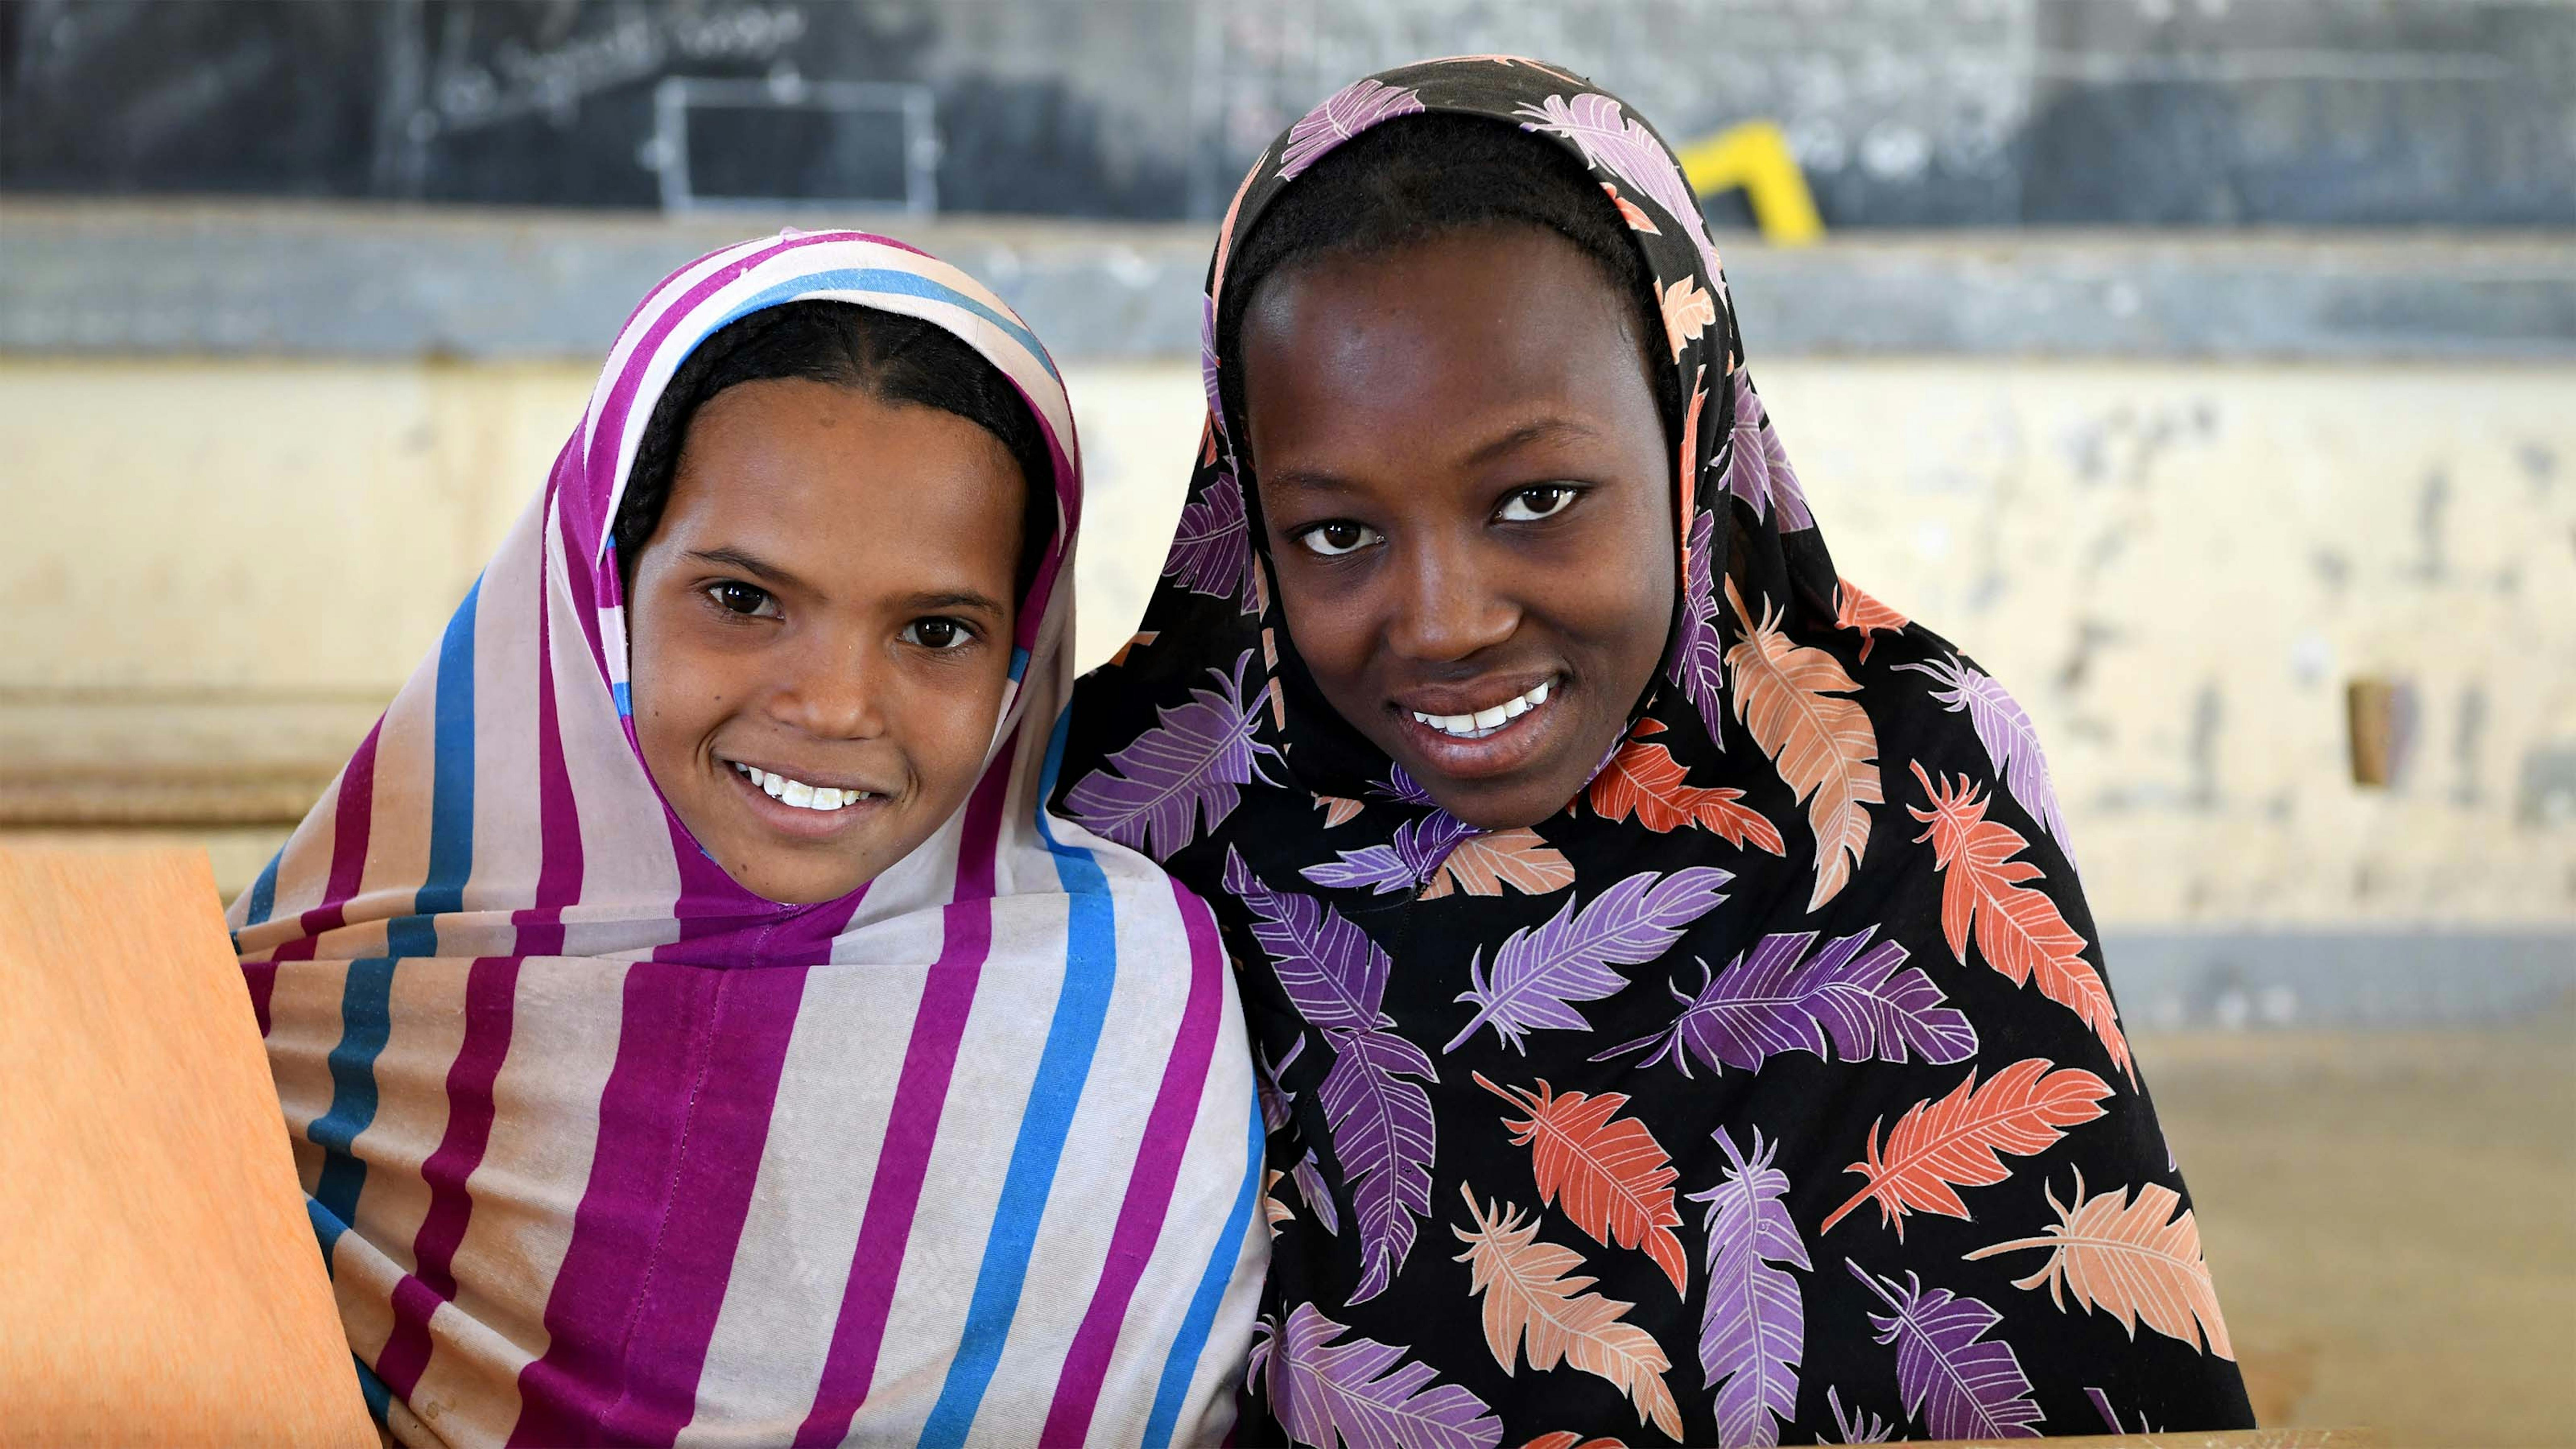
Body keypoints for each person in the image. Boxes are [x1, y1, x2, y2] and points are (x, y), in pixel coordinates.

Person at [1057, 60, 2256, 1447]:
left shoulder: (1910, 778)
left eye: (1538, 499)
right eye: (1335, 533)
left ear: (1692, 432)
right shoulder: (1124, 833)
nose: (1445, 624)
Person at [231, 233, 1263, 1446]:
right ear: (603, 581)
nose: (833, 706)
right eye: (741, 599)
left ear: (1023, 651)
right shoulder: (309, 1021)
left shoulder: (1129, 1010)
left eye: (935, 632)